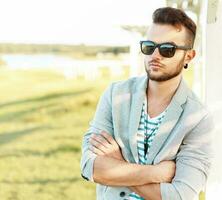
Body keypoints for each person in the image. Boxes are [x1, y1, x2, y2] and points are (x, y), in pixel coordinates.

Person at [80, 7, 214, 200]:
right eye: (149, 46)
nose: (155, 55)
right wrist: (156, 173)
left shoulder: (197, 118)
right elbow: (90, 168)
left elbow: (179, 196)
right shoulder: (115, 95)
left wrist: (118, 162)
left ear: (189, 56)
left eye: (167, 49)